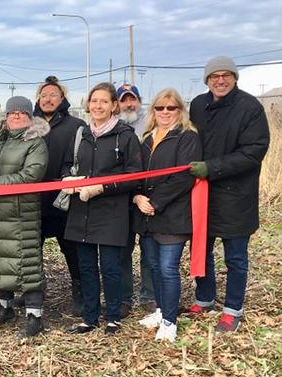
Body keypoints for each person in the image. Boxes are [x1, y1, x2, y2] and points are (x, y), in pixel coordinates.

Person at [187, 56, 270, 332]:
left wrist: (212, 167)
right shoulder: (199, 105)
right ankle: (205, 297)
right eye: (214, 76)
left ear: (234, 78)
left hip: (237, 194)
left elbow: (253, 151)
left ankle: (233, 309)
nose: (220, 80)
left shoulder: (249, 107)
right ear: (207, 80)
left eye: (226, 75)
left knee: (235, 257)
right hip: (204, 192)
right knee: (202, 250)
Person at [64, 82, 142, 335]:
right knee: (86, 266)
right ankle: (90, 317)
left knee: (110, 266)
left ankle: (113, 317)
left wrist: (102, 188)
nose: (98, 106)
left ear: (113, 106)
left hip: (111, 210)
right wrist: (69, 180)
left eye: (104, 102)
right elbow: (69, 165)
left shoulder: (125, 135)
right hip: (82, 209)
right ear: (88, 104)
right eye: (94, 101)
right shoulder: (81, 134)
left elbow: (134, 176)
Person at [132, 89, 202, 343]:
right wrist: (138, 198)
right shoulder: (147, 138)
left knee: (168, 268)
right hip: (146, 215)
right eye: (160, 108)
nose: (165, 112)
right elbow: (136, 174)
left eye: (170, 108)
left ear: (179, 111)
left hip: (172, 215)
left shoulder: (187, 137)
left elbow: (183, 176)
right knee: (153, 267)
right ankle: (161, 311)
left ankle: (170, 321)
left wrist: (156, 202)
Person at [0, 96, 49, 338]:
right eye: (12, 112)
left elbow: (32, 174)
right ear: (6, 116)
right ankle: (4, 308)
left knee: (27, 263)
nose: (16, 115)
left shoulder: (36, 143)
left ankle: (34, 317)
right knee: (0, 261)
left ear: (30, 117)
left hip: (22, 213)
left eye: (21, 112)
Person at [33, 76, 86, 316]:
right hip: (34, 199)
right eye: (44, 95)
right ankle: (34, 292)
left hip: (64, 199)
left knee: (71, 248)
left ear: (62, 99)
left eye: (53, 94)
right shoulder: (29, 124)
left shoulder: (75, 125)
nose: (48, 98)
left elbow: (79, 158)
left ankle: (79, 291)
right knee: (33, 250)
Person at [116, 83, 155, 317]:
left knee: (149, 249)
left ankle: (149, 296)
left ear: (139, 101)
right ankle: (124, 298)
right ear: (117, 104)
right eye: (124, 100)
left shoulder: (151, 125)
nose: (129, 104)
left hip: (148, 195)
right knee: (122, 249)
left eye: (133, 99)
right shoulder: (115, 128)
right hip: (123, 197)